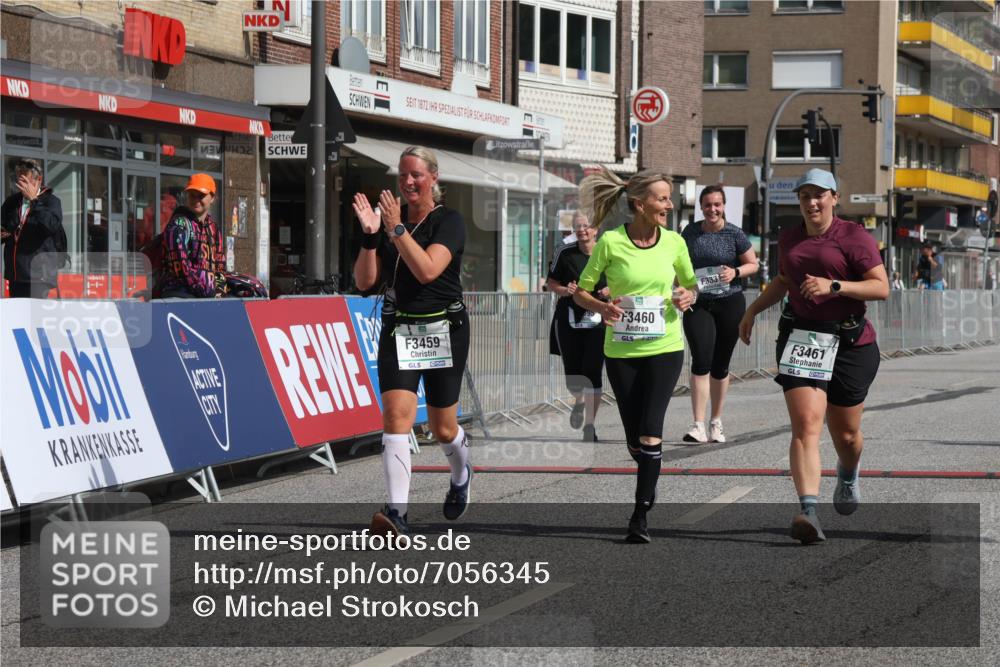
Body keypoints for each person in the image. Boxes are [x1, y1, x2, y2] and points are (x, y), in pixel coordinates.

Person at [738, 168, 888, 545]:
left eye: (819, 195)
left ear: (834, 198)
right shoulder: (790, 238)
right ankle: (807, 512)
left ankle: (848, 474)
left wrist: (834, 285)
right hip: (803, 339)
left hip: (851, 344)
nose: (812, 202)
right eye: (805, 196)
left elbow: (880, 287)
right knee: (806, 424)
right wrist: (753, 310)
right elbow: (785, 280)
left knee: (847, 434)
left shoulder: (853, 237)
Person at [572, 168, 697, 544]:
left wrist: (687, 296)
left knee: (650, 431)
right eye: (662, 198)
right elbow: (580, 291)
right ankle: (648, 473)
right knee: (633, 440)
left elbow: (689, 285)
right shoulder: (611, 242)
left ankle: (640, 513)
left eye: (669, 198)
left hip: (665, 348)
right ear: (640, 204)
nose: (669, 205)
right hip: (622, 351)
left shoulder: (675, 242)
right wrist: (602, 306)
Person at [352, 146, 471, 537]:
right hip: (400, 329)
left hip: (443, 330)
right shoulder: (391, 224)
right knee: (396, 420)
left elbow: (428, 270)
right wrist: (372, 238)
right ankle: (397, 512)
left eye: (416, 175)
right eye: (402, 175)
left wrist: (396, 230)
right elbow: (365, 283)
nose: (407, 182)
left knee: (443, 429)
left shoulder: (448, 221)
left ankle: (460, 473)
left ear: (434, 178)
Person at [680, 185, 758, 444]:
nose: (712, 209)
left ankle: (716, 421)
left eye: (717, 204)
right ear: (700, 207)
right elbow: (678, 264)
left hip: (729, 301)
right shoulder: (690, 232)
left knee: (720, 364)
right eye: (707, 205)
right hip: (698, 302)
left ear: (723, 206)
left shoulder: (734, 233)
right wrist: (679, 287)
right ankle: (697, 425)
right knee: (700, 360)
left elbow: (753, 264)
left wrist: (735, 272)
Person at [547, 211, 608, 442]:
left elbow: (620, 277)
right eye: (577, 226)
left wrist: (610, 289)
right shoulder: (564, 252)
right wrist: (565, 291)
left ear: (596, 229)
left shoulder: (607, 252)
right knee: (573, 377)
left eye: (587, 226)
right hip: (569, 319)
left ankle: (590, 427)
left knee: (593, 373)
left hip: (598, 320)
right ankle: (579, 400)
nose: (582, 230)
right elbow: (551, 283)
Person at [1, 158, 64, 298]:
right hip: (16, 274)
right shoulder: (12, 202)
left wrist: (34, 201)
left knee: (35, 318)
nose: (22, 186)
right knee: (18, 318)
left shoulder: (51, 201)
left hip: (39, 275)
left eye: (26, 182)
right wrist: (6, 230)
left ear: (38, 180)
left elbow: (51, 226)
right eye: (19, 181)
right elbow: (4, 230)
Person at [156, 173, 226, 298]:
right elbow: (180, 267)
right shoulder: (178, 224)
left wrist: (220, 290)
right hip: (179, 295)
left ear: (213, 198)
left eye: (201, 196)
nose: (196, 200)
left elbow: (220, 264)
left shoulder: (214, 229)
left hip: (206, 298)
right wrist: (201, 290)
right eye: (192, 195)